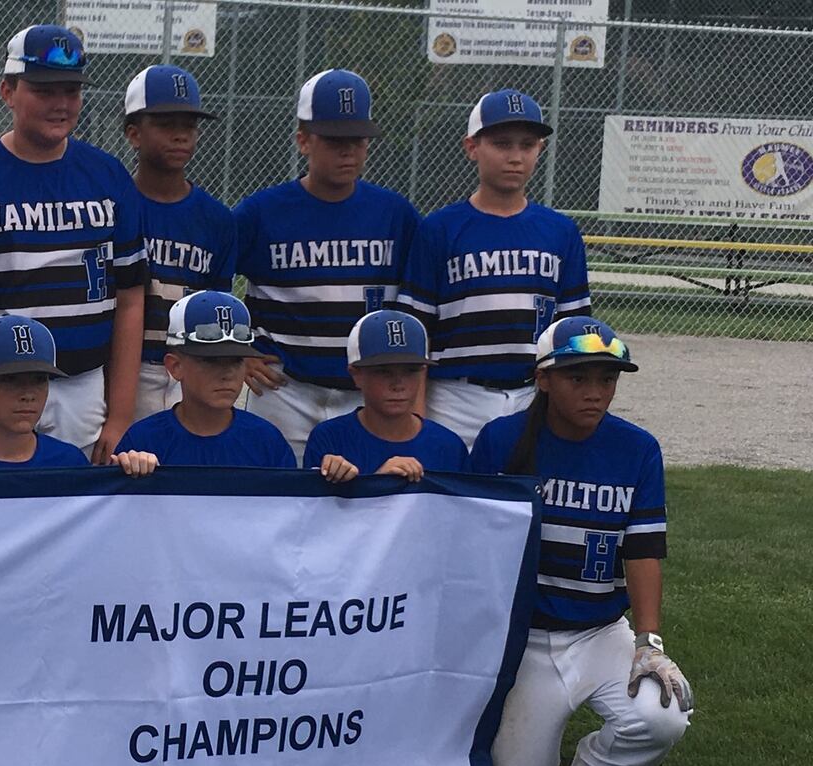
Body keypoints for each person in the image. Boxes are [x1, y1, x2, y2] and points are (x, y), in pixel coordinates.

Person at [469, 318, 691, 766]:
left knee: (664, 717)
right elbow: (472, 546)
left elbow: (643, 549)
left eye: (607, 379)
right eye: (578, 378)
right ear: (542, 379)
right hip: (524, 640)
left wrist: (648, 644)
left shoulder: (637, 449)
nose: (595, 392)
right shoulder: (499, 441)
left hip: (599, 631)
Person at [0, 24, 148, 463]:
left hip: (81, 383)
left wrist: (122, 413)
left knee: (73, 518)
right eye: (44, 89)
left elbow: (130, 297)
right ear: (7, 91)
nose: (61, 103)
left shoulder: (108, 176)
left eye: (71, 90)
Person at [235, 69, 420, 460]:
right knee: (282, 500)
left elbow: (418, 302)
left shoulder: (395, 214)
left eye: (357, 140)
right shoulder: (262, 212)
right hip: (284, 390)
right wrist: (240, 349)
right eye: (335, 140)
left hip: (366, 393)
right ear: (303, 140)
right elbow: (212, 279)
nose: (348, 151)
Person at [399, 89, 593, 447]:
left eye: (527, 144)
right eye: (502, 143)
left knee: (529, 499)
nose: (515, 157)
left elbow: (574, 337)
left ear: (541, 150)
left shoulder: (560, 231)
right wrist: (417, 414)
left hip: (532, 396)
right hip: (455, 398)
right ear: (472, 147)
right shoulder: (440, 228)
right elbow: (417, 334)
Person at [122, 64, 235, 420]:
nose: (180, 136)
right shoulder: (113, 206)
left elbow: (219, 302)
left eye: (188, 126)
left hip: (189, 368)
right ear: (134, 134)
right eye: (166, 124)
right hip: (127, 367)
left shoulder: (216, 218)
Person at [0, 315, 157, 475]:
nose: (27, 394)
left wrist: (136, 473)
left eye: (39, 379)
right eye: (10, 379)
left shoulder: (68, 463)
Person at [116, 292, 294, 468]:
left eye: (236, 360)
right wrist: (133, 470)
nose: (227, 374)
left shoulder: (266, 441)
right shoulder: (143, 442)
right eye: (211, 361)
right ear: (175, 367)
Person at [303, 309, 468, 484]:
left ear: (423, 372)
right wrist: (377, 485)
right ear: (356, 375)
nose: (398, 385)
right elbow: (315, 510)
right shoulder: (330, 439)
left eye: (410, 371)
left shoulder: (449, 445)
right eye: (383, 372)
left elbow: (463, 509)